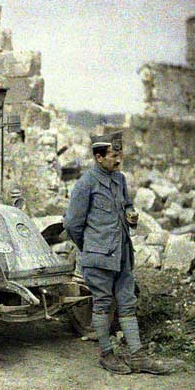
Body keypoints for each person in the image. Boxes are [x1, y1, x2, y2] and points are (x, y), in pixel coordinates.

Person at [63, 131, 169, 375]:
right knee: (101, 304)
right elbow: (72, 224)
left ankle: (138, 356)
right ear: (99, 157)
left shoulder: (119, 179)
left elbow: (127, 205)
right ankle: (107, 354)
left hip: (122, 254)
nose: (119, 160)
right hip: (98, 257)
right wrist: (91, 247)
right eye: (114, 156)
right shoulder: (85, 183)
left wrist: (131, 216)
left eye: (120, 155)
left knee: (127, 304)